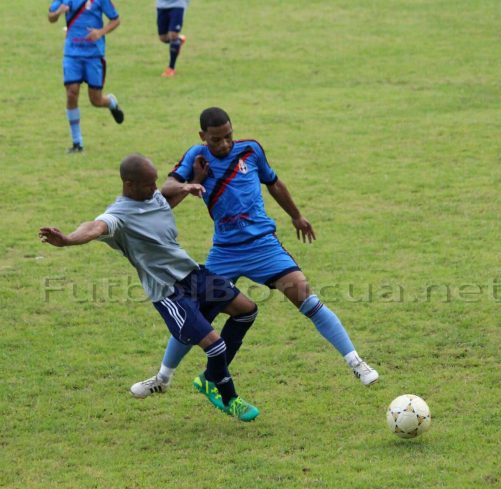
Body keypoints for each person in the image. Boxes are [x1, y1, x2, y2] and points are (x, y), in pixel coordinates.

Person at [133, 107, 379, 403]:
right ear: (202, 137)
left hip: (263, 245)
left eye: (228, 137)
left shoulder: (251, 150)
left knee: (303, 294)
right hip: (224, 252)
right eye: (216, 140)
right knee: (195, 315)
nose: (224, 144)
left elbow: (273, 182)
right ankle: (162, 378)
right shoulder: (196, 156)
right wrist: (192, 182)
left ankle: (356, 363)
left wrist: (296, 216)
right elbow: (167, 192)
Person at [38, 153, 260, 421]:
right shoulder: (117, 216)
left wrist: (194, 181)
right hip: (169, 293)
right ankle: (228, 398)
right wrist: (69, 240)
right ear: (129, 184)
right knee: (215, 346)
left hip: (193, 274)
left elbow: (165, 202)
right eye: (148, 184)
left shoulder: (151, 196)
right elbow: (94, 227)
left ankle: (187, 377)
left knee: (247, 310)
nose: (155, 188)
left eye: (155, 181)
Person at [48, 0, 125, 153]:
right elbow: (51, 17)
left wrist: (100, 32)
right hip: (72, 54)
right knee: (71, 92)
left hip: (94, 55)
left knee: (96, 100)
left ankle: (111, 102)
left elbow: (115, 20)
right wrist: (58, 12)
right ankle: (77, 143)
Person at [156, 0, 189, 77]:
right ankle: (179, 40)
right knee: (163, 38)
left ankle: (171, 68)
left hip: (178, 4)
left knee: (173, 35)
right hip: (161, 5)